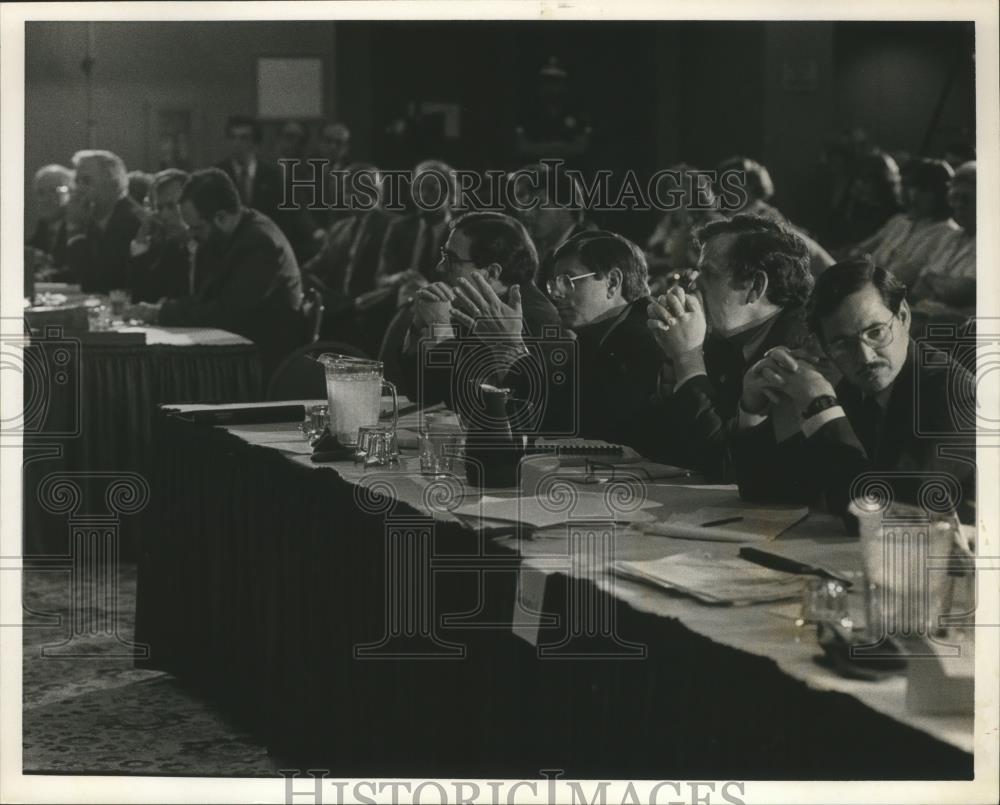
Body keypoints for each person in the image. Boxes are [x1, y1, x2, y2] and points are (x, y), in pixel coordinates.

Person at [731, 258, 975, 523]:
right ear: (824, 347)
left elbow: (889, 513)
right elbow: (766, 487)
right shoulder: (855, 389)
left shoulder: (953, 391)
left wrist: (820, 404)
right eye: (842, 343)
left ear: (903, 317)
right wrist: (753, 407)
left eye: (876, 332)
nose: (865, 356)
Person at [640, 215, 814, 479]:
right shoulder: (723, 338)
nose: (693, 283)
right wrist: (672, 361)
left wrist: (688, 359)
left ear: (755, 286)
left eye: (708, 273)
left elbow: (724, 467)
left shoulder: (798, 353)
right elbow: (659, 448)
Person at [124, 168, 303, 374]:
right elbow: (205, 298)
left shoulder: (259, 243)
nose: (191, 234)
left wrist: (161, 313)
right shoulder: (231, 234)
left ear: (221, 217)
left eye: (197, 228)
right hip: (234, 350)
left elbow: (228, 313)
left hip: (262, 360)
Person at [398, 211, 560, 409]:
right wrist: (418, 326)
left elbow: (468, 405)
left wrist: (441, 332)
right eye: (443, 254)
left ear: (491, 272)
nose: (440, 267)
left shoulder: (534, 318)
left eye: (451, 259)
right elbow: (418, 392)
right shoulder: (469, 304)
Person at [515, 230, 662, 447]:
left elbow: (585, 429)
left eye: (568, 280)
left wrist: (512, 349)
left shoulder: (646, 339)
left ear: (612, 282)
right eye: (554, 283)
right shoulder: (594, 335)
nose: (556, 294)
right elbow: (550, 423)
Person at [300, 162, 398, 349]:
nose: (347, 196)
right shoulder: (339, 229)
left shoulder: (394, 227)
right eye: (345, 190)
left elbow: (394, 282)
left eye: (354, 190)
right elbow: (311, 268)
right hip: (337, 316)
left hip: (373, 319)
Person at [715, 155, 833, 278]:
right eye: (724, 182)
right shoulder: (731, 217)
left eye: (733, 182)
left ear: (751, 185)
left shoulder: (765, 217)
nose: (726, 189)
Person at [849, 158, 957, 286]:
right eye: (913, 187)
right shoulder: (899, 221)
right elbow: (859, 251)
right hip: (861, 284)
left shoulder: (946, 233)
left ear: (942, 195)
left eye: (924, 190)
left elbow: (903, 277)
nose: (915, 195)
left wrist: (863, 266)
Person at [375, 160, 457, 306]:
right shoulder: (399, 228)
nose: (423, 195)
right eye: (418, 188)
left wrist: (427, 287)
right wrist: (397, 278)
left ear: (450, 192)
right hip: (400, 308)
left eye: (432, 189)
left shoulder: (460, 233)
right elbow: (381, 278)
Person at [65, 149, 145, 292]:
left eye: (86, 181)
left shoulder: (132, 221)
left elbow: (96, 283)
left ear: (113, 184)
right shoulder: (90, 218)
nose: (78, 189)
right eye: (77, 181)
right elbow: (72, 273)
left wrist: (75, 230)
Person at [509, 162, 596, 293]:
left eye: (538, 205)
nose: (527, 215)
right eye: (523, 207)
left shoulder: (587, 253)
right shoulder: (544, 251)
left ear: (565, 206)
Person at [908, 161, 976, 320]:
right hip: (925, 316)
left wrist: (932, 278)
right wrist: (940, 284)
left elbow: (961, 291)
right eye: (954, 197)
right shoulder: (951, 237)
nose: (958, 205)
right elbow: (919, 288)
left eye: (966, 199)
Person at [128, 169, 195, 302]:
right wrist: (140, 242)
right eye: (159, 208)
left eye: (172, 206)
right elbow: (140, 299)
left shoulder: (215, 248)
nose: (163, 216)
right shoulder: (168, 247)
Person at [27, 164, 74, 279]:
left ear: (71, 193)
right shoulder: (43, 225)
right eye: (41, 192)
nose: (46, 199)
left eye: (54, 191)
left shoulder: (78, 226)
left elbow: (75, 271)